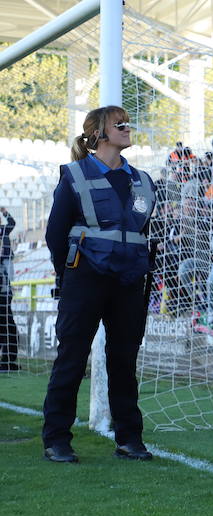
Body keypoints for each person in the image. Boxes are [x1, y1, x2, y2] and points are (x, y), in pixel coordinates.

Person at [42, 106, 156, 463]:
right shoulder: (75, 175)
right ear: (99, 135)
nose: (127, 127)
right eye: (118, 124)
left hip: (128, 281)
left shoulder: (142, 180)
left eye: (127, 121)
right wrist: (70, 275)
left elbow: (143, 233)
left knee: (123, 360)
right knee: (72, 358)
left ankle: (130, 439)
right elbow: (55, 234)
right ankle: (56, 439)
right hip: (85, 278)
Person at [0, 207, 17, 372]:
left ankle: (8, 360)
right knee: (7, 326)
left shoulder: (3, 229)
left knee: (7, 325)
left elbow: (12, 222)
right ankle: (7, 360)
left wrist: (5, 212)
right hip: (4, 288)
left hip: (5, 287)